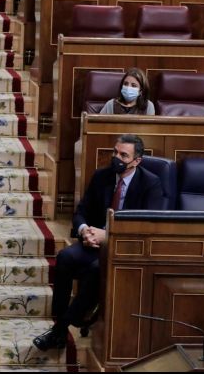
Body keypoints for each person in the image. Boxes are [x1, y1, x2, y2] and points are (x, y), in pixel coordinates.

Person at [33, 134, 164, 351]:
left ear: (137, 161)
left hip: (125, 248)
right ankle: (60, 325)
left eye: (123, 155)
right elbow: (81, 211)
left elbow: (147, 227)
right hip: (94, 242)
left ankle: (58, 331)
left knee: (96, 269)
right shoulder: (102, 176)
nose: (117, 158)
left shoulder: (151, 184)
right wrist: (85, 231)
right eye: (115, 152)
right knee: (65, 257)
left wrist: (108, 235)